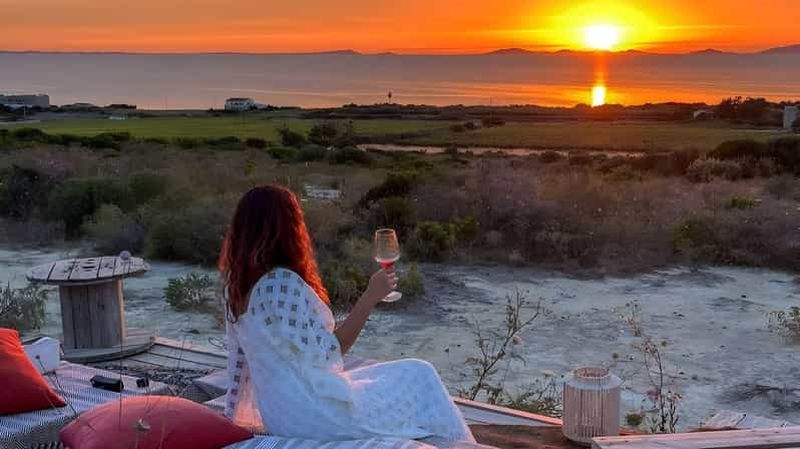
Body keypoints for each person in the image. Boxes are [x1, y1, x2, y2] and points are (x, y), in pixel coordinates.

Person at [219, 185, 475, 443]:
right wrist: (369, 297)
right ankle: (461, 445)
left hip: (282, 413)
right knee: (420, 374)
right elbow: (330, 352)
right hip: (313, 415)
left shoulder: (235, 287)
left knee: (392, 374)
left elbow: (239, 363)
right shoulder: (279, 284)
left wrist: (231, 417)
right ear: (288, 228)